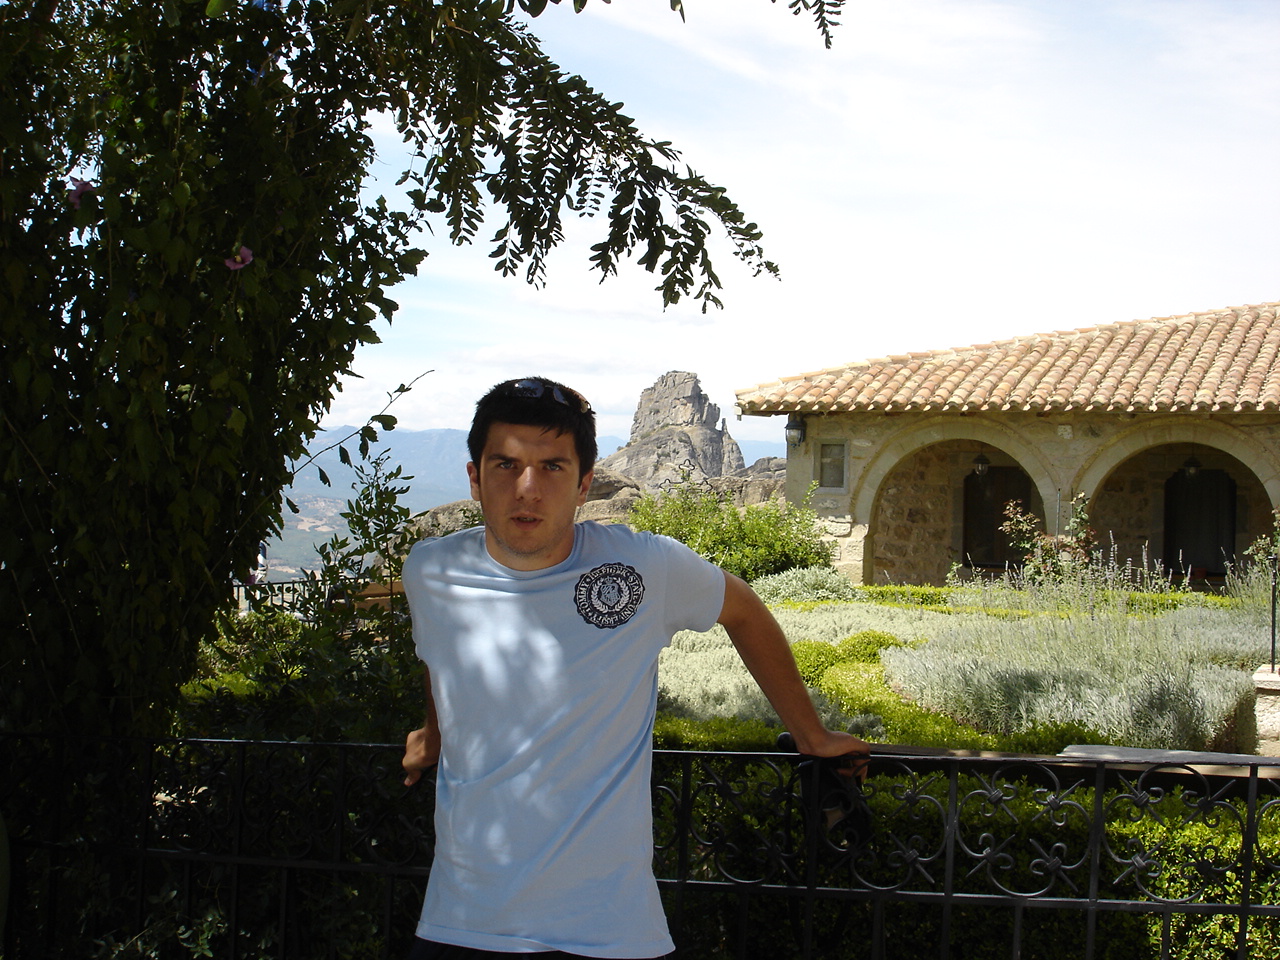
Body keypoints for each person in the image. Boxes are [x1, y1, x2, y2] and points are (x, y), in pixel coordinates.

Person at [400, 376, 869, 960]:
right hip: (462, 924)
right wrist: (436, 733)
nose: (528, 489)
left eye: (552, 467)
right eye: (506, 465)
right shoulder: (432, 571)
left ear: (584, 484)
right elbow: (440, 655)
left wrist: (811, 734)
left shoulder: (643, 566)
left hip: (612, 933)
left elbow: (743, 609)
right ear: (475, 478)